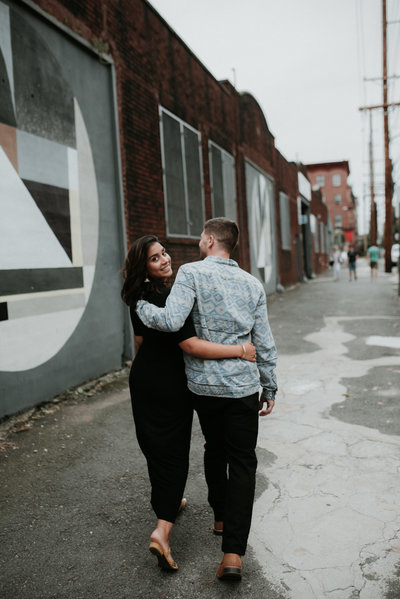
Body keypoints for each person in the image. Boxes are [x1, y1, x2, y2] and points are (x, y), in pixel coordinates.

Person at [136, 218, 277, 582]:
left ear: (210, 240)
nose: (198, 241)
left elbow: (170, 322)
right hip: (243, 388)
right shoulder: (253, 284)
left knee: (214, 449)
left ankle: (219, 516)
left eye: (200, 236)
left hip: (204, 388)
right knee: (243, 462)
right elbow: (263, 341)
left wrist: (141, 307)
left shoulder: (191, 274)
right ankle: (232, 553)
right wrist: (270, 385)